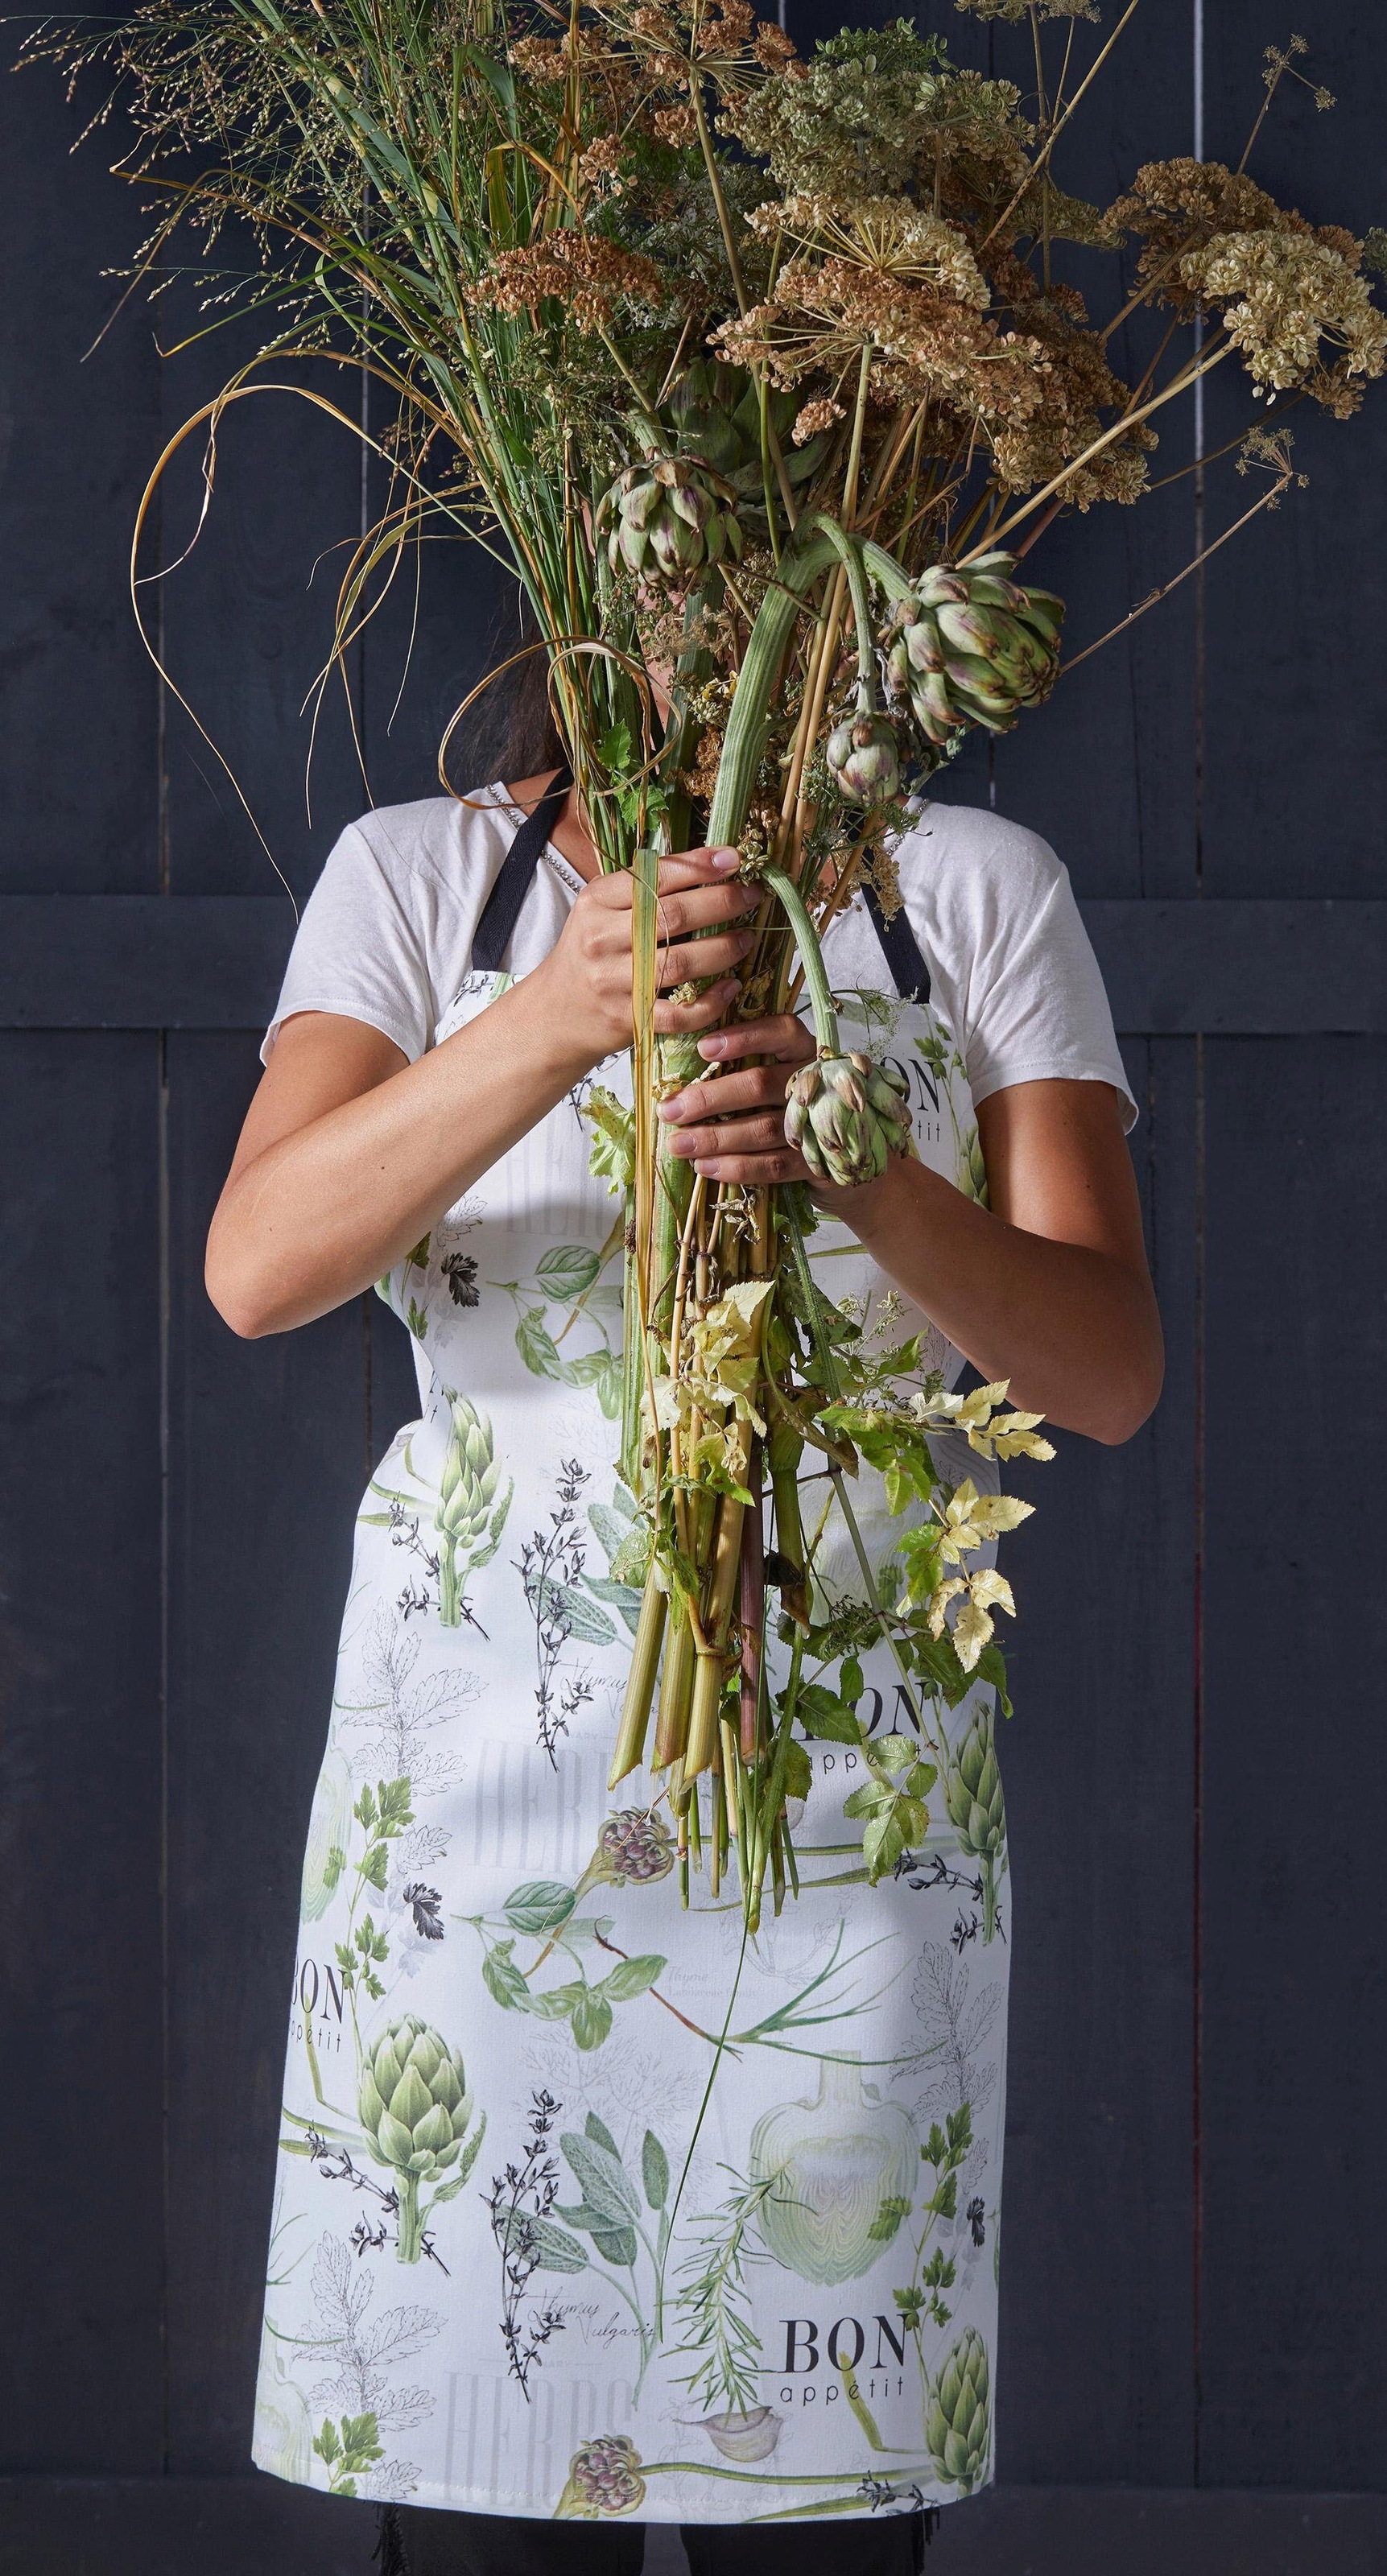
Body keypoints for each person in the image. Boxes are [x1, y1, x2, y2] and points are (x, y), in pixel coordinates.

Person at [207, 658, 1162, 2576]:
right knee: (483, 2514)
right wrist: (558, 1016)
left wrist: (868, 1174)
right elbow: (258, 1265)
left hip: (837, 1813)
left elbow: (1108, 1367)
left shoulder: (967, 885)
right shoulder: (420, 878)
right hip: (474, 1823)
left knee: (823, 2512)